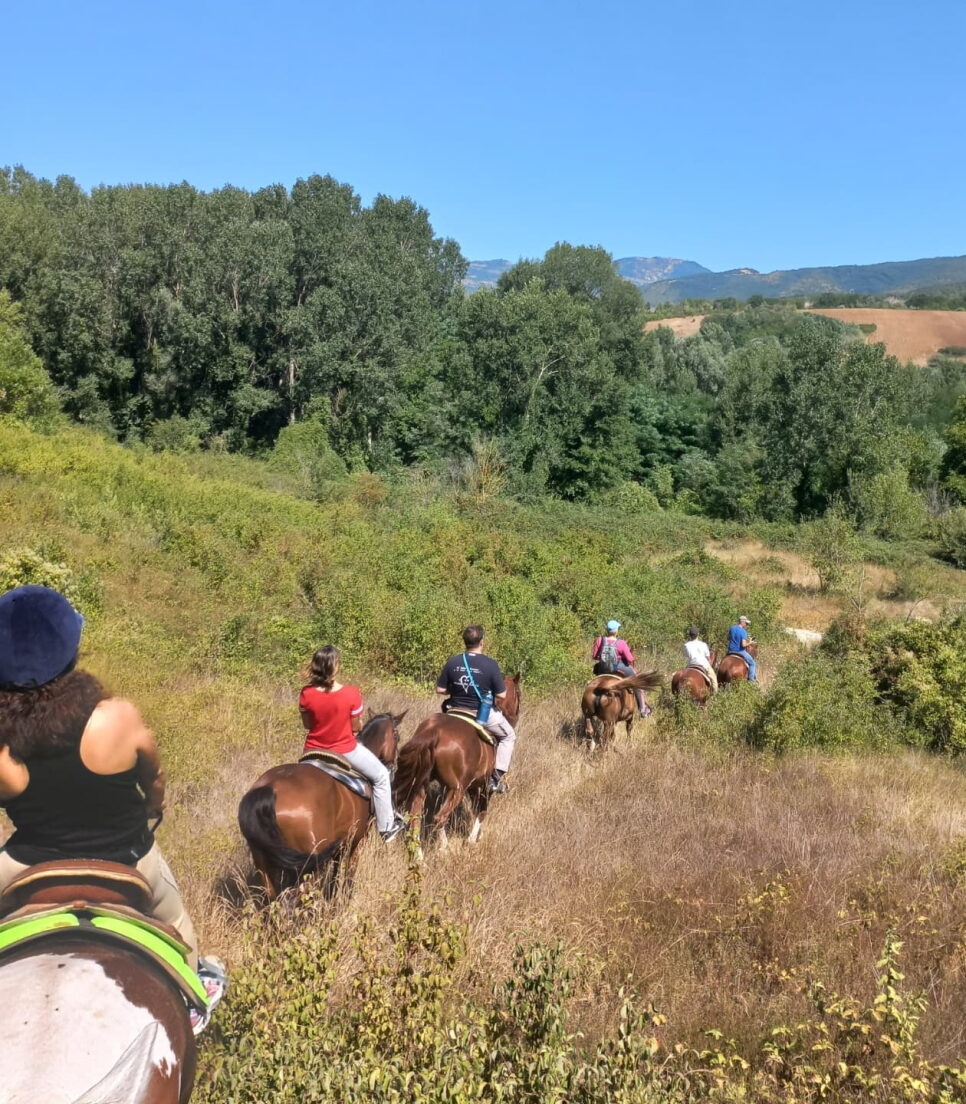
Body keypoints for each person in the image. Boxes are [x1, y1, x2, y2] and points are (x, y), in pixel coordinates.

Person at [0, 585, 225, 1034]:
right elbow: (153, 777)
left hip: (28, 863)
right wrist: (152, 810)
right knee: (175, 919)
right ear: (71, 652)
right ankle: (197, 995)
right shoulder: (116, 715)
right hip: (128, 858)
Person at [299, 645, 405, 842]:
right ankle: (387, 827)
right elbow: (356, 728)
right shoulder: (351, 693)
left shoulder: (306, 693)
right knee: (382, 776)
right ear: (335, 666)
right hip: (344, 749)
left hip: (312, 750)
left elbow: (307, 725)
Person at [436, 625, 516, 795]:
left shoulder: (454, 661)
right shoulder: (490, 664)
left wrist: (457, 689)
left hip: (454, 711)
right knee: (509, 736)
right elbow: (501, 695)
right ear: (482, 642)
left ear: (465, 642)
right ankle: (495, 778)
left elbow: (440, 690)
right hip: (480, 713)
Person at [592, 619, 650, 717]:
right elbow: (630, 659)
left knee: (593, 682)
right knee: (637, 682)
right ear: (616, 631)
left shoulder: (600, 640)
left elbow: (595, 656)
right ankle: (643, 709)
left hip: (602, 669)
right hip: (618, 668)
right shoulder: (621, 643)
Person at [683, 626, 718, 691]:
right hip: (703, 665)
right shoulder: (703, 644)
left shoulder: (686, 645)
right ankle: (714, 695)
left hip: (690, 665)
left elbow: (686, 657)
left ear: (690, 635)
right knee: (714, 679)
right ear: (698, 634)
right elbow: (708, 658)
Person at [726, 615, 757, 682]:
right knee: (753, 663)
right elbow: (743, 645)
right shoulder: (743, 631)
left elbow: (728, 638)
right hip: (740, 651)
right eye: (746, 623)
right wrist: (750, 642)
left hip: (730, 651)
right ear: (742, 622)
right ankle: (751, 681)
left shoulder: (732, 628)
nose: (746, 625)